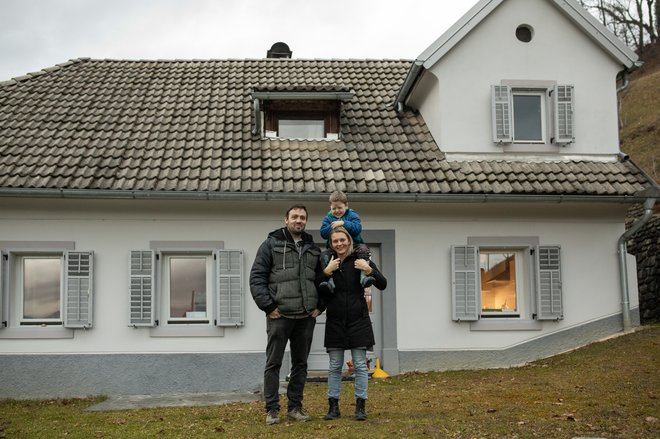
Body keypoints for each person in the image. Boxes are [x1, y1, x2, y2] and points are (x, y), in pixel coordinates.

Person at [249, 204, 325, 425]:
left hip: (305, 317)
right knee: (273, 363)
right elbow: (257, 278)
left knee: (300, 364)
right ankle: (272, 409)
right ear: (286, 220)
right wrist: (268, 306)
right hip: (279, 316)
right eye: (294, 217)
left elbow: (322, 280)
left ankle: (295, 408)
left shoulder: (313, 249)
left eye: (302, 217)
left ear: (305, 222)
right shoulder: (270, 245)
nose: (298, 220)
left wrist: (320, 306)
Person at [319, 226, 387, 421]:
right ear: (331, 244)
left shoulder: (362, 259)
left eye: (342, 240)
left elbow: (383, 284)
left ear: (348, 240)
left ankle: (360, 406)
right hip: (335, 320)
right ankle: (333, 407)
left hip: (359, 320)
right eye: (335, 241)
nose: (339, 244)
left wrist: (369, 269)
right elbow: (317, 286)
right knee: (334, 366)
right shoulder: (327, 261)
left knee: (360, 365)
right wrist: (326, 272)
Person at [319, 191, 375, 295]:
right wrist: (332, 226)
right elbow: (323, 233)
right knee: (323, 255)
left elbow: (357, 228)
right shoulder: (328, 218)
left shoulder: (352, 214)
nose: (337, 211)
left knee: (364, 249)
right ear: (330, 207)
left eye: (339, 208)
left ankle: (363, 277)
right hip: (333, 249)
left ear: (346, 205)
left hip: (355, 245)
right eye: (334, 208)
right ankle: (330, 282)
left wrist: (343, 223)